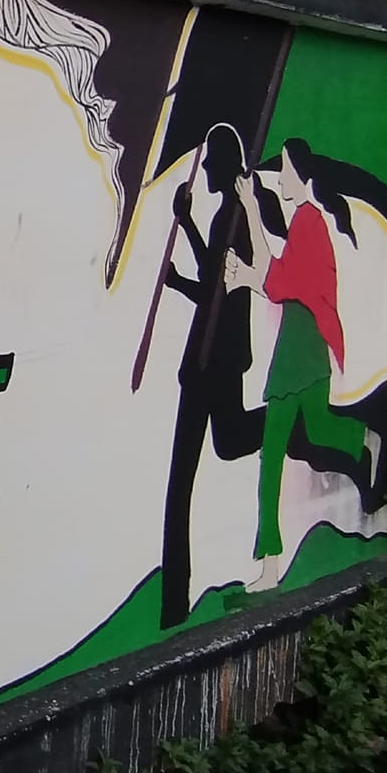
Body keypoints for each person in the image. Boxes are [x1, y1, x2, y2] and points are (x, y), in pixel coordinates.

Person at [225, 138, 380, 592]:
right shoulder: (303, 222)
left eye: (286, 171)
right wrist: (251, 207)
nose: (281, 179)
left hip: (302, 351)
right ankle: (363, 439)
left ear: (302, 175)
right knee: (311, 432)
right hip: (300, 348)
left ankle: (270, 567)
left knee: (275, 453)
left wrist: (246, 276)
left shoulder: (309, 221)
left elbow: (277, 282)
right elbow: (274, 271)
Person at [156, 124, 264, 627]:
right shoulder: (229, 214)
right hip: (213, 358)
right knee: (225, 443)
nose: (207, 174)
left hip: (211, 360)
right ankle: (174, 604)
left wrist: (180, 262)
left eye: (212, 166)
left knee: (192, 471)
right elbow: (213, 277)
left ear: (224, 165)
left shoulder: (235, 216)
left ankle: (285, 419)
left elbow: (213, 289)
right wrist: (189, 223)